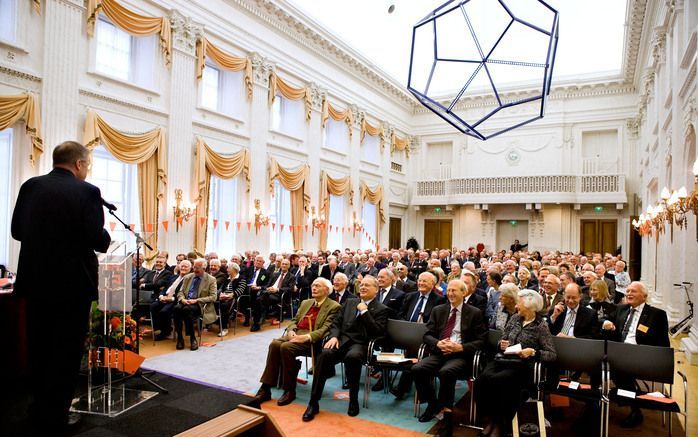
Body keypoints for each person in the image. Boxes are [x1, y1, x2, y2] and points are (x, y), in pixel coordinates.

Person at [11, 141, 111, 434]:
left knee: (39, 347)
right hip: (71, 286)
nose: (87, 170)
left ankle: (37, 407)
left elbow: (17, 231)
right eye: (88, 165)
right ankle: (56, 415)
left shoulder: (30, 186)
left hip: (35, 282)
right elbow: (98, 240)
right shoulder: (87, 192)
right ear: (79, 164)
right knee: (65, 353)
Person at [302, 276, 390, 422]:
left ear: (376, 290)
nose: (362, 287)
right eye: (361, 285)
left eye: (367, 285)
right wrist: (334, 336)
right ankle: (313, 402)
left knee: (353, 357)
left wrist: (365, 312)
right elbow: (336, 323)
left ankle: (353, 400)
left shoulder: (382, 309)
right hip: (341, 341)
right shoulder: (350, 302)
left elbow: (377, 332)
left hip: (361, 343)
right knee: (324, 354)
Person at [475, 289, 557, 437]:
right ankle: (490, 420)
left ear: (529, 305)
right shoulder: (514, 318)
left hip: (522, 365)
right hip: (504, 359)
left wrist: (533, 352)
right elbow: (503, 338)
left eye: (519, 302)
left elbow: (551, 354)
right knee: (482, 379)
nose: (517, 306)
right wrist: (502, 344)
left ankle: (500, 423)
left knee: (500, 380)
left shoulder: (541, 325)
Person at [411, 279, 486, 437]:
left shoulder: (474, 312)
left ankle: (447, 417)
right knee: (417, 368)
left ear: (464, 293)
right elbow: (427, 335)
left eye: (455, 290)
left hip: (460, 355)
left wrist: (461, 347)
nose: (450, 293)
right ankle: (433, 404)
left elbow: (481, 341)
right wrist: (438, 343)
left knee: (447, 372)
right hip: (440, 352)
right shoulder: (439, 310)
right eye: (449, 290)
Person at [255, 278, 341, 406]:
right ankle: (266, 388)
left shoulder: (334, 306)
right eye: (313, 285)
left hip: (312, 340)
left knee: (286, 347)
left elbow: (326, 329)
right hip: (296, 334)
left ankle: (289, 390)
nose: (314, 288)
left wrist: (307, 337)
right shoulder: (306, 302)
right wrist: (291, 330)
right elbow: (294, 320)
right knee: (274, 344)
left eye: (318, 286)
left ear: (327, 290)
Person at [601, 281, 669, 427]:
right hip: (620, 352)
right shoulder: (621, 309)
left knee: (617, 370)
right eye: (628, 291)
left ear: (644, 296)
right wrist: (606, 322)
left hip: (642, 355)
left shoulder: (657, 314)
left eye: (633, 291)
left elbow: (664, 344)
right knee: (602, 361)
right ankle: (603, 402)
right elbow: (602, 319)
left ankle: (632, 406)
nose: (629, 294)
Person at [174, 258, 217, 350]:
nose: (195, 270)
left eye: (197, 268)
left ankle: (192, 338)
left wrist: (197, 300)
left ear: (204, 269)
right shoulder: (188, 277)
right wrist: (182, 299)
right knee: (176, 308)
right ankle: (180, 338)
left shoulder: (211, 279)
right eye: (194, 267)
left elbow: (213, 297)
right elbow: (180, 292)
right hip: (186, 301)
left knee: (186, 310)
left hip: (199, 304)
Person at [151, 259, 191, 340]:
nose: (183, 268)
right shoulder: (173, 277)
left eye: (186, 267)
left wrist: (171, 299)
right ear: (179, 267)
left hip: (176, 300)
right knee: (153, 306)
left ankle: (166, 331)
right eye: (182, 266)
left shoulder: (190, 279)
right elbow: (165, 288)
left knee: (164, 311)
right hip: (165, 297)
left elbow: (186, 294)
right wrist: (161, 296)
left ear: (190, 269)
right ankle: (159, 328)